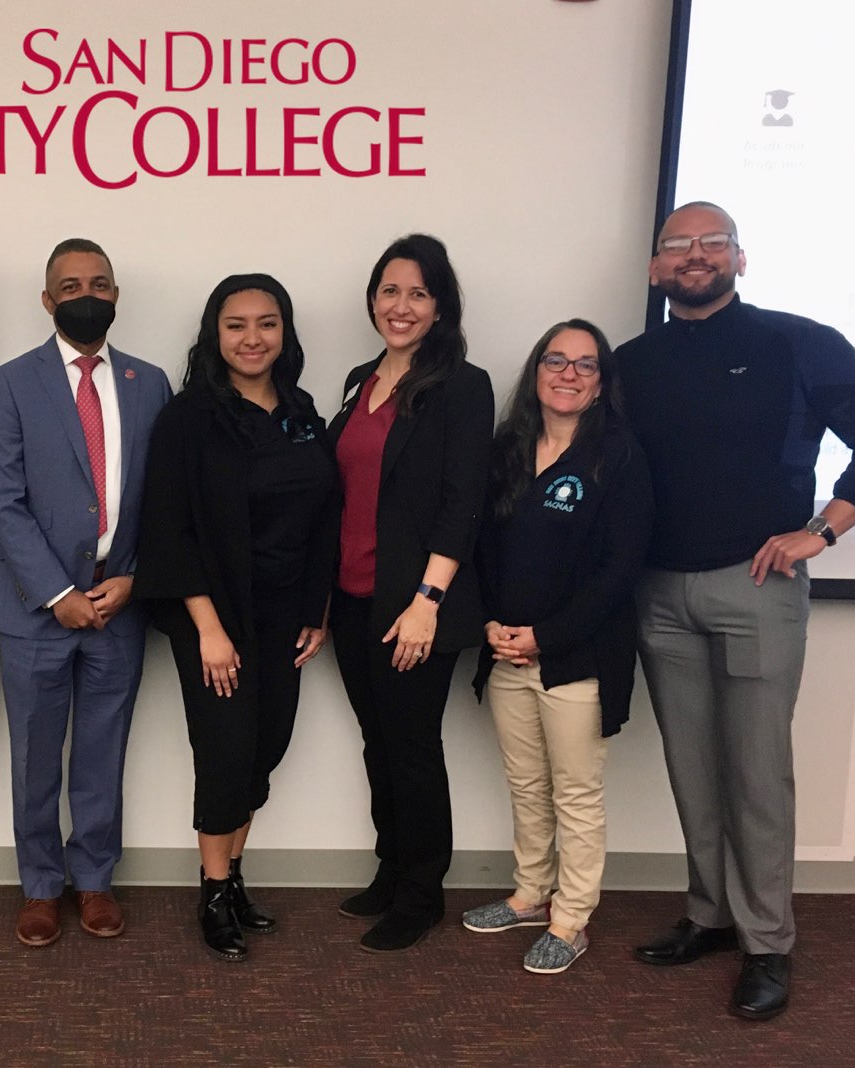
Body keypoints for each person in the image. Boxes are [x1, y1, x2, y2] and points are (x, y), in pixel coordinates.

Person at [618, 201, 855, 1019]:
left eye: (714, 243)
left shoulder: (798, 342)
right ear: (655, 269)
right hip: (660, 595)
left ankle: (768, 943)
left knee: (755, 774)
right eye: (678, 246)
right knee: (692, 768)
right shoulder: (631, 363)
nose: (696, 256)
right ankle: (710, 915)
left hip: (754, 590)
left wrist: (823, 529)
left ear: (741, 260)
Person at [135, 274, 340, 961]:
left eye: (267, 322)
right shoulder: (190, 417)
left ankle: (234, 876)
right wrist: (208, 629)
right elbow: (169, 529)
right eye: (236, 324)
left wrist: (317, 609)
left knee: (265, 749)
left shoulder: (303, 410)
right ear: (214, 335)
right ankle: (214, 890)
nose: (253, 338)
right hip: (218, 616)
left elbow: (322, 517)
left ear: (285, 331)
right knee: (225, 753)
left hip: (286, 616)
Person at [0, 238, 171, 948]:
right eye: (68, 285)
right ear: (46, 299)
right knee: (34, 755)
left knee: (102, 750)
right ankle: (38, 886)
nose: (83, 294)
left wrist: (137, 575)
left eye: (97, 283)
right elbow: (2, 498)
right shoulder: (12, 383)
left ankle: (92, 880)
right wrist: (57, 590)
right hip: (37, 610)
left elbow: (166, 496)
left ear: (115, 295)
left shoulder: (148, 383)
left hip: (120, 605)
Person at [461, 319, 652, 974]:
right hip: (504, 650)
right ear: (536, 371)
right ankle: (529, 894)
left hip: (576, 658)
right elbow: (478, 549)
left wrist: (546, 636)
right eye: (556, 360)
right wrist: (488, 625)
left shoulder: (619, 457)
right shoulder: (506, 452)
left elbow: (620, 570)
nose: (568, 374)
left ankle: (571, 920)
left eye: (585, 364)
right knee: (525, 783)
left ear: (602, 384)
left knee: (575, 791)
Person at [327, 234, 493, 953]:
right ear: (373, 299)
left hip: (416, 605)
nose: (402, 306)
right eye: (390, 291)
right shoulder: (361, 378)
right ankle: (392, 869)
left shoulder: (462, 384)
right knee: (378, 741)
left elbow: (464, 502)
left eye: (418, 293)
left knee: (413, 745)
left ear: (440, 305)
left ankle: (422, 894)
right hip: (354, 595)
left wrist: (428, 599)